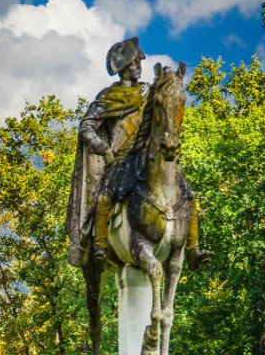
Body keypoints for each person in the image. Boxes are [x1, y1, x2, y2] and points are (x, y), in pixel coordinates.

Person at [67, 37, 208, 268]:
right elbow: (87, 126)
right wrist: (101, 147)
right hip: (121, 160)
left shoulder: (148, 92)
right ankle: (100, 246)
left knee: (188, 194)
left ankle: (193, 249)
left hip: (149, 157)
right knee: (105, 196)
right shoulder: (107, 97)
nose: (139, 66)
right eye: (135, 63)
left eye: (139, 62)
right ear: (124, 67)